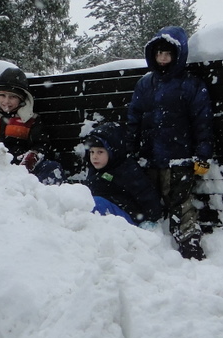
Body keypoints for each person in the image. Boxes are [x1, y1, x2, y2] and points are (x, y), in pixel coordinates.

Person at [125, 26, 214, 260]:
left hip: (179, 158)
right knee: (147, 201)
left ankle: (189, 243)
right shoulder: (145, 84)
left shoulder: (191, 85)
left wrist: (203, 154)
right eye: (159, 54)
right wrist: (129, 149)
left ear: (178, 55)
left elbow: (202, 122)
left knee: (181, 203)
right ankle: (149, 246)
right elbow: (134, 119)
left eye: (168, 54)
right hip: (148, 157)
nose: (163, 59)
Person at [82, 122, 162, 227]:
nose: (94, 157)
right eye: (92, 152)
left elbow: (146, 194)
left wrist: (152, 218)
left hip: (126, 216)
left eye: (100, 152)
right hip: (106, 216)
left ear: (112, 151)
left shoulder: (126, 170)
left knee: (96, 203)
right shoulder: (96, 170)